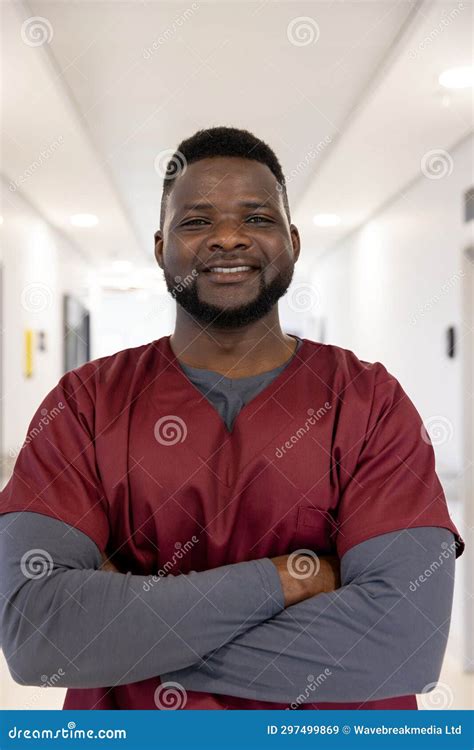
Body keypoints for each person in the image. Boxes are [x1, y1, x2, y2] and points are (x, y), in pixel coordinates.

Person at [0, 126, 464, 711]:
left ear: (292, 241)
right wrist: (291, 579)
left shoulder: (369, 402)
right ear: (158, 246)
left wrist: (131, 638)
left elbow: (402, 643)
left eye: (257, 218)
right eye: (195, 222)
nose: (227, 238)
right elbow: (37, 636)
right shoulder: (85, 405)